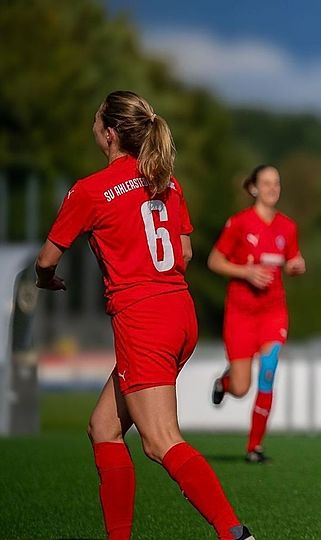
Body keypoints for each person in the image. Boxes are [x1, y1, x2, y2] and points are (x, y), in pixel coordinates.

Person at [35, 91, 254, 540]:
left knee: (160, 440)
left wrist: (47, 281)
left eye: (97, 118)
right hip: (180, 313)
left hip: (144, 319)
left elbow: (45, 260)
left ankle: (235, 533)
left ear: (110, 133)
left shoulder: (90, 190)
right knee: (103, 428)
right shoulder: (166, 182)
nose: (94, 123)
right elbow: (186, 251)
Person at [208, 164, 306, 463]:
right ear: (254, 188)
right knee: (241, 387)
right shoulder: (239, 224)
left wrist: (297, 266)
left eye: (276, 183)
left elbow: (292, 259)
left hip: (273, 312)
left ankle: (255, 446)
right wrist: (245, 272)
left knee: (269, 370)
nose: (272, 188)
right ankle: (225, 383)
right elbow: (214, 261)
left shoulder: (287, 227)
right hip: (241, 314)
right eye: (266, 183)